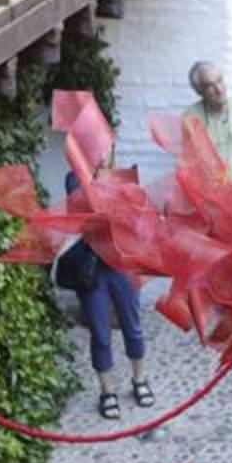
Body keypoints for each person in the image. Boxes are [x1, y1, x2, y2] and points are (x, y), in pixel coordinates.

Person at [65, 171, 151, 420]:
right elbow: (80, 211)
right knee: (100, 334)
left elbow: (134, 217)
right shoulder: (75, 178)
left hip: (121, 265)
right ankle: (108, 391)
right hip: (93, 269)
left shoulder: (117, 177)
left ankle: (140, 379)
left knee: (132, 327)